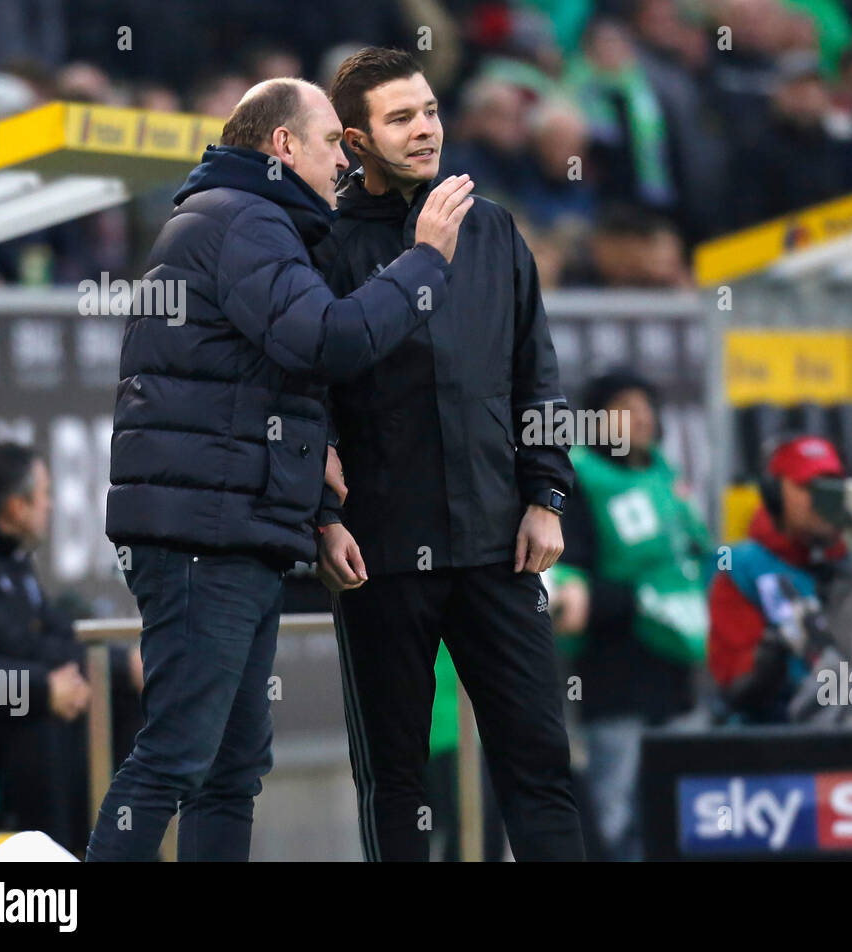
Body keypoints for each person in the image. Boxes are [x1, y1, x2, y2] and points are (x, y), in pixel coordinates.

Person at [86, 77, 473, 862]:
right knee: (178, 757)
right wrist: (424, 260)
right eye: (334, 140)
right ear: (282, 145)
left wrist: (319, 517)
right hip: (207, 535)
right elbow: (326, 340)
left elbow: (277, 385)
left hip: (234, 527)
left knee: (229, 770)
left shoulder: (242, 221)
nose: (345, 158)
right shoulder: (245, 221)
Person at [313, 47, 584, 862]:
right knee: (395, 779)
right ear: (355, 142)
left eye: (429, 110)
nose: (426, 129)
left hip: (501, 544)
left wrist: (547, 496)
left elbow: (535, 372)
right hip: (381, 551)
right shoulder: (321, 240)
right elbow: (305, 393)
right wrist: (324, 517)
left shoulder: (494, 228)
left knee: (539, 765)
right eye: (401, 118)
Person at [549, 369, 711, 861]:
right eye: (625, 406)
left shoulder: (665, 477)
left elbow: (695, 557)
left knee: (684, 808)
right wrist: (638, 599)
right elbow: (568, 581)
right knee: (615, 812)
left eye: (646, 405)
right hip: (615, 676)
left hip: (678, 677)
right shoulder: (577, 479)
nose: (641, 416)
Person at [0, 444, 108, 849]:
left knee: (100, 697)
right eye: (45, 494)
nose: (53, 505)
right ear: (15, 506)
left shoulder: (9, 550)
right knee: (37, 718)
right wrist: (40, 689)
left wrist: (93, 668)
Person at [707, 435, 847, 724]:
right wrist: (770, 662)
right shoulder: (738, 567)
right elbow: (731, 681)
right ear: (774, 496)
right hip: (769, 739)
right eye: (807, 487)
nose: (823, 499)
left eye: (831, 486)